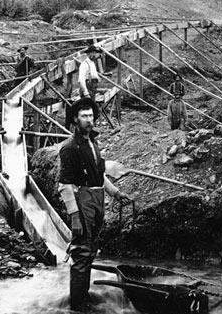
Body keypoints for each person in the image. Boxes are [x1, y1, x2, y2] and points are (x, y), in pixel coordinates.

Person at [58, 97, 131, 311]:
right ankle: (77, 306)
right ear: (75, 119)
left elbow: (99, 175)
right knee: (81, 253)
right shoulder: (70, 147)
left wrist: (115, 193)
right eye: (84, 116)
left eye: (91, 115)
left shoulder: (93, 141)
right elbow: (64, 185)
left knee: (90, 250)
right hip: (82, 200)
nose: (89, 120)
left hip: (98, 199)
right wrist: (74, 216)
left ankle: (83, 297)